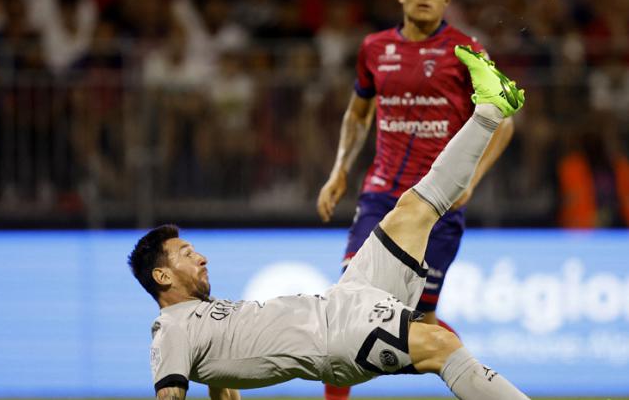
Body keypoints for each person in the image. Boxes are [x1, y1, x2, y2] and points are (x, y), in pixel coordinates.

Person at [128, 45, 529, 400]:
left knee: (413, 209)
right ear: (162, 277)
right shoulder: (171, 331)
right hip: (338, 340)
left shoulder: (207, 320)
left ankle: (491, 108)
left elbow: (222, 384)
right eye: (186, 254)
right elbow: (170, 392)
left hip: (345, 298)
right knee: (440, 344)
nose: (202, 258)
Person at [316, 0, 513, 399]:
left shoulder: (467, 51)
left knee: (420, 323)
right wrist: (339, 171)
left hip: (436, 206)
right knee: (346, 309)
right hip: (382, 198)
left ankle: (477, 386)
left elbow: (505, 121)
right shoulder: (374, 48)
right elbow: (358, 112)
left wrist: (471, 180)